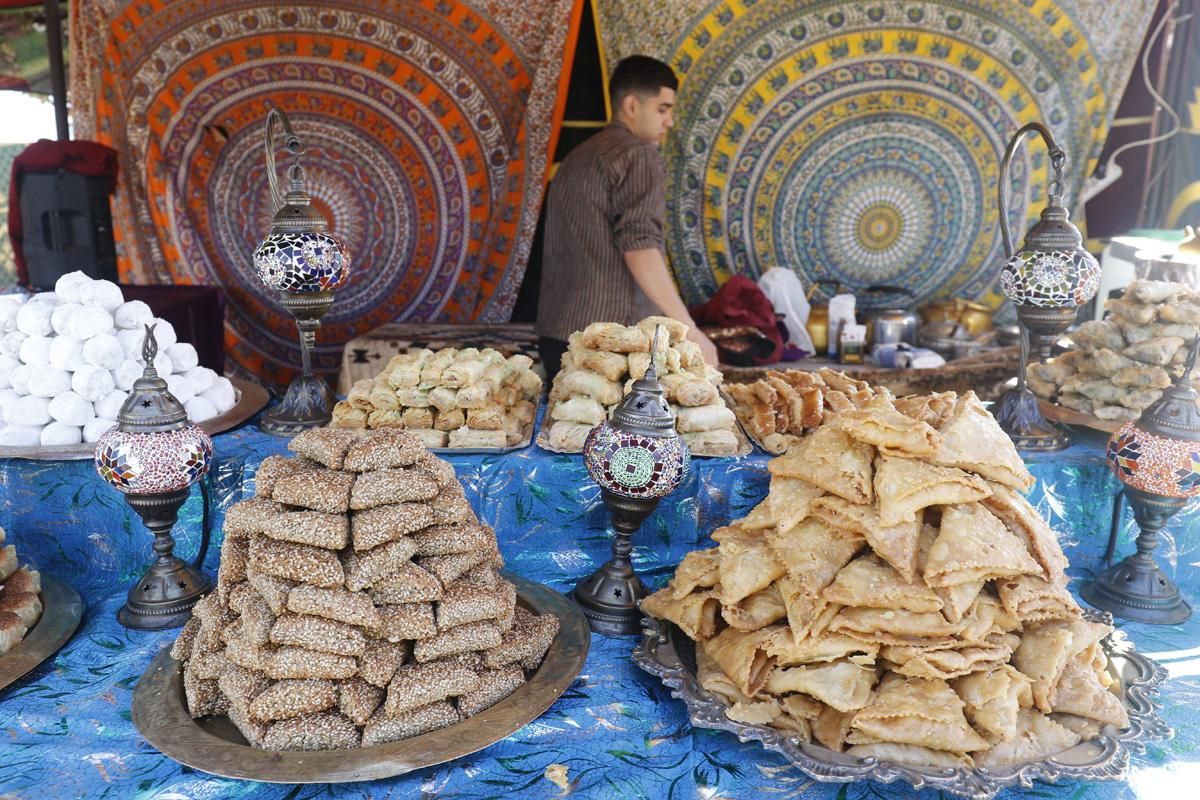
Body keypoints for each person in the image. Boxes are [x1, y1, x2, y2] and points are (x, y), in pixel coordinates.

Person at [535, 55, 719, 381]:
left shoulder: (577, 158)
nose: (670, 121)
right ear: (632, 106)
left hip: (556, 338)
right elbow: (641, 248)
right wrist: (689, 330)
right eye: (663, 109)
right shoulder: (637, 154)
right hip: (610, 347)